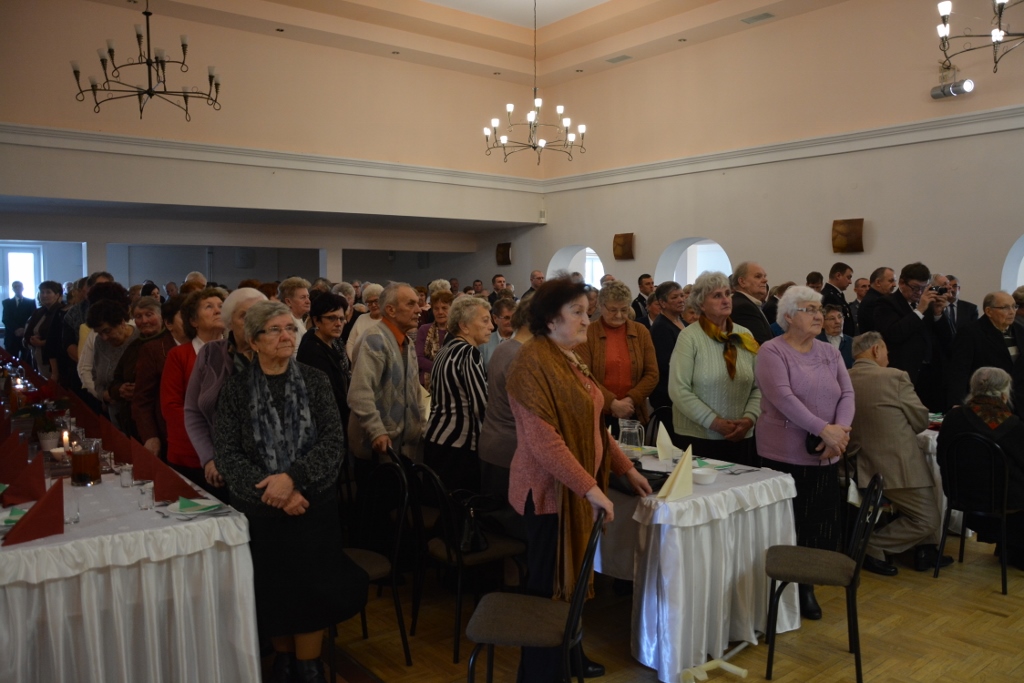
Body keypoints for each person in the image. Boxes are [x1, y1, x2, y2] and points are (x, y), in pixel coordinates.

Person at [506, 277, 652, 681]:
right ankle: (540, 673)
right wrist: (589, 488)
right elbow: (544, 442)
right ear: (551, 319)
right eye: (578, 313)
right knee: (548, 588)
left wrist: (625, 469)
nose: (588, 320)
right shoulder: (531, 363)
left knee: (570, 582)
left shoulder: (567, 357)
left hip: (572, 490)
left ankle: (569, 654)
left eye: (587, 312)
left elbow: (593, 425)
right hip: (547, 494)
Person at [214, 300, 368, 683]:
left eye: (290, 328)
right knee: (273, 590)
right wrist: (275, 493)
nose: (286, 336)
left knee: (312, 590)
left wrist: (293, 480)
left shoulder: (315, 380)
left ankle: (310, 666)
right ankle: (283, 662)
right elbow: (228, 455)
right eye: (275, 330)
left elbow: (332, 443)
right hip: (261, 512)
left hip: (312, 507)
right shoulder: (235, 389)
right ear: (253, 341)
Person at [755, 285, 854, 621]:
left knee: (819, 524)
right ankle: (786, 586)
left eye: (819, 309)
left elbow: (847, 394)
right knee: (791, 523)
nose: (818, 315)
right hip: (784, 455)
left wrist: (839, 431)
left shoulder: (829, 352)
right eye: (809, 309)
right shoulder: (772, 351)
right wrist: (824, 429)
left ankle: (807, 584)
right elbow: (783, 398)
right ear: (788, 316)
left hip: (827, 452)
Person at [847, 332, 950, 575]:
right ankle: (871, 545)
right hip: (896, 465)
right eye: (886, 351)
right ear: (876, 350)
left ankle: (925, 551)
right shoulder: (895, 377)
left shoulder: (843, 377)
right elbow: (920, 420)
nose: (888, 356)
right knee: (928, 519)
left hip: (857, 463)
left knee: (922, 502)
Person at [668, 271, 761, 466]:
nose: (726, 300)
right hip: (698, 438)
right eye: (717, 296)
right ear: (701, 304)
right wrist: (714, 422)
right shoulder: (689, 337)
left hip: (741, 436)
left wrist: (749, 419)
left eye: (727, 294)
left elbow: (759, 386)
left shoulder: (744, 335)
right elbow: (678, 389)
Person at [185, 287, 267, 500]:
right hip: (219, 471)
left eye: (259, 315)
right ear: (229, 322)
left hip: (265, 474)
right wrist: (209, 458)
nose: (252, 322)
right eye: (244, 316)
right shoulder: (210, 353)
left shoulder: (277, 358)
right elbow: (193, 412)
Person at [938, 367, 1024, 569]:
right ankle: (1014, 548)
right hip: (1003, 502)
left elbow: (942, 457)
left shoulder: (953, 418)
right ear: (1004, 393)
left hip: (961, 496)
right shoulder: (1013, 426)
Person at [347, 283, 424, 477]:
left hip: (401, 449)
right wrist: (376, 431)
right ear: (391, 310)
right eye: (411, 304)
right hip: (378, 452)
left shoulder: (407, 342)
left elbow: (414, 390)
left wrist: (420, 424)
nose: (418, 309)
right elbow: (359, 393)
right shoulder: (374, 339)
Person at [478, 294, 534, 539]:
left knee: (494, 526)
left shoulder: (504, 347)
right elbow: (531, 412)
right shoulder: (521, 355)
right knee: (510, 534)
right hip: (510, 450)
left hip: (493, 444)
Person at [160, 287, 227, 492]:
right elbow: (171, 407)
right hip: (190, 452)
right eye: (209, 307)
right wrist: (206, 440)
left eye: (221, 306)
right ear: (193, 321)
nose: (218, 311)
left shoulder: (235, 353)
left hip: (230, 453)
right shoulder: (179, 355)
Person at [423, 296, 492, 492]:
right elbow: (481, 406)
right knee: (460, 504)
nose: (491, 326)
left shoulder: (445, 350)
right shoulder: (469, 353)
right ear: (464, 326)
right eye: (485, 320)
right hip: (458, 444)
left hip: (435, 438)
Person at [574, 280, 658, 433]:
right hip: (598, 414)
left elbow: (652, 374)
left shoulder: (641, 332)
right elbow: (584, 377)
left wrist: (630, 400)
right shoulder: (588, 333)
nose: (619, 315)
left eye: (624, 310)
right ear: (600, 306)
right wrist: (612, 403)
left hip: (633, 412)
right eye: (613, 310)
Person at [874, 263, 953, 405]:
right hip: (903, 373)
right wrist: (920, 310)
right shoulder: (886, 303)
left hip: (930, 373)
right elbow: (894, 334)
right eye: (916, 288)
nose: (920, 292)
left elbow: (946, 339)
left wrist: (938, 313)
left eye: (924, 288)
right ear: (901, 283)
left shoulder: (928, 304)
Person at [946, 291, 1024, 416]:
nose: (1012, 312)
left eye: (1014, 306)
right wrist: (957, 403)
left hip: (1018, 403)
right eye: (1005, 307)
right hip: (986, 403)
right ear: (989, 311)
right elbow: (959, 370)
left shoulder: (1020, 330)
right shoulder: (970, 333)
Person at [134, 295, 188, 457]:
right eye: (185, 316)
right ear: (169, 323)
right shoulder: (154, 350)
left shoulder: (205, 347)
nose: (192, 321)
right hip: (166, 433)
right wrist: (150, 436)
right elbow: (142, 399)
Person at [109, 297, 165, 439]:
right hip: (134, 423)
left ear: (161, 316)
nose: (144, 321)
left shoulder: (169, 344)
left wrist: (141, 390)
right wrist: (120, 389)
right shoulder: (133, 347)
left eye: (149, 314)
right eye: (138, 317)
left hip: (162, 422)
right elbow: (115, 380)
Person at [296, 292, 351, 426]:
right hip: (324, 421)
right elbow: (328, 395)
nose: (338, 324)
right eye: (332, 318)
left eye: (341, 318)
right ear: (316, 320)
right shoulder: (311, 350)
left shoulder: (335, 341)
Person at [87, 298, 141, 429]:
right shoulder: (100, 342)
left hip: (139, 416)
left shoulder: (140, 339)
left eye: (107, 331)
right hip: (115, 415)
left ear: (122, 322)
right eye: (99, 333)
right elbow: (96, 375)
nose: (104, 337)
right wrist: (104, 395)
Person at [649, 281, 687, 415]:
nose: (681, 300)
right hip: (668, 391)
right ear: (662, 303)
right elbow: (666, 364)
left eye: (682, 295)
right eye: (674, 297)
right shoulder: (661, 327)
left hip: (682, 387)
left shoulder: (683, 322)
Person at [23, 281, 62, 377]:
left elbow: (60, 336)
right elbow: (27, 334)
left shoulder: (61, 311)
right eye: (42, 292)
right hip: (36, 356)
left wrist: (43, 343)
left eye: (48, 292)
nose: (44, 295)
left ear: (57, 295)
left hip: (54, 359)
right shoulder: (38, 312)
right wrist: (32, 340)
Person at [415, 290, 452, 389]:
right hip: (427, 383)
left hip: (452, 381)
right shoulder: (424, 329)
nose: (440, 312)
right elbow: (418, 358)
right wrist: (441, 369)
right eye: (436, 308)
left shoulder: (458, 330)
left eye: (444, 308)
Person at [729, 262, 772, 345]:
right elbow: (761, 344)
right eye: (758, 276)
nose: (765, 280)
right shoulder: (743, 307)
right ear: (742, 282)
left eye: (764, 276)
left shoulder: (747, 303)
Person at [345, 282, 382, 363]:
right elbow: (350, 343)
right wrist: (355, 361)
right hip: (360, 364)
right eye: (369, 302)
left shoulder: (389, 320)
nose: (373, 305)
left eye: (376, 301)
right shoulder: (361, 318)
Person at [856, 266, 895, 334]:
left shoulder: (876, 299)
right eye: (890, 281)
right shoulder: (874, 302)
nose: (894, 285)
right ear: (878, 282)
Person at [479, 296, 516, 366]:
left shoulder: (524, 341)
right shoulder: (484, 342)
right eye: (506, 318)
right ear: (495, 318)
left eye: (514, 317)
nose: (511, 321)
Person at [821, 262, 856, 337]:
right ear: (838, 276)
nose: (850, 282)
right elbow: (831, 325)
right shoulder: (830, 296)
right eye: (848, 277)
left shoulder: (836, 294)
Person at [3, 280, 35, 361]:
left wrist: (24, 329)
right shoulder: (7, 303)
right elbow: (6, 319)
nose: (17, 288)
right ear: (13, 289)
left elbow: (33, 318)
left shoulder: (30, 302)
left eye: (19, 286)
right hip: (11, 336)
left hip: (26, 335)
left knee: (27, 361)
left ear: (23, 288)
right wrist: (16, 329)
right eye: (15, 287)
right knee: (10, 361)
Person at [817, 304, 854, 368]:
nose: (838, 321)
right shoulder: (816, 343)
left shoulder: (852, 343)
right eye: (832, 318)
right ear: (822, 323)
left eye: (840, 317)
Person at [279, 277, 311, 347]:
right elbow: (294, 352)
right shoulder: (289, 324)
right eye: (303, 297)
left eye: (308, 297)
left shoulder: (298, 319)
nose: (308, 301)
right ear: (288, 302)